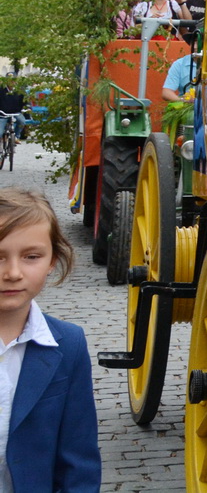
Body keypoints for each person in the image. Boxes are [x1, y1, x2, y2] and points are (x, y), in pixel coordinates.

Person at [0, 189, 101, 492]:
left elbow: (78, 460)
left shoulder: (68, 345)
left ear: (52, 261)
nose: (13, 273)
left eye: (31, 257)